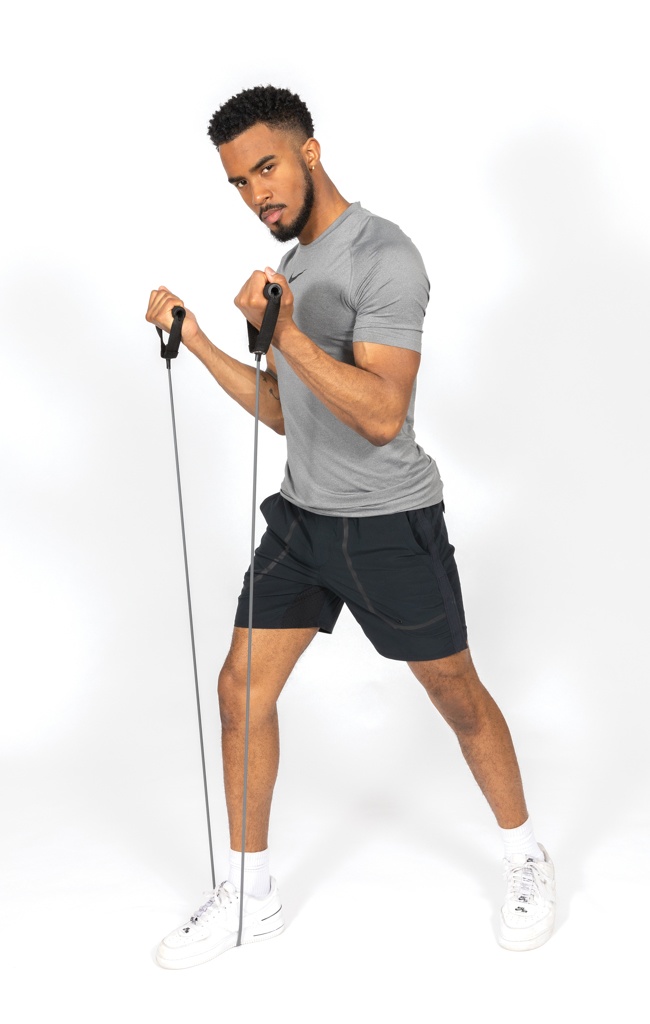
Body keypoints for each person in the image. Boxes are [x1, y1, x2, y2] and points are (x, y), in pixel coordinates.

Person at [146, 85, 555, 969]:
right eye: (239, 183)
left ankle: (527, 856)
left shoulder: (383, 256)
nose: (257, 194)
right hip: (302, 523)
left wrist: (286, 332)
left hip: (387, 522)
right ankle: (252, 890)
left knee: (456, 696)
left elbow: (380, 414)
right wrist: (202, 338)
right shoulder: (291, 270)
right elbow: (288, 413)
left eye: (266, 168)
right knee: (239, 690)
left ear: (311, 151)